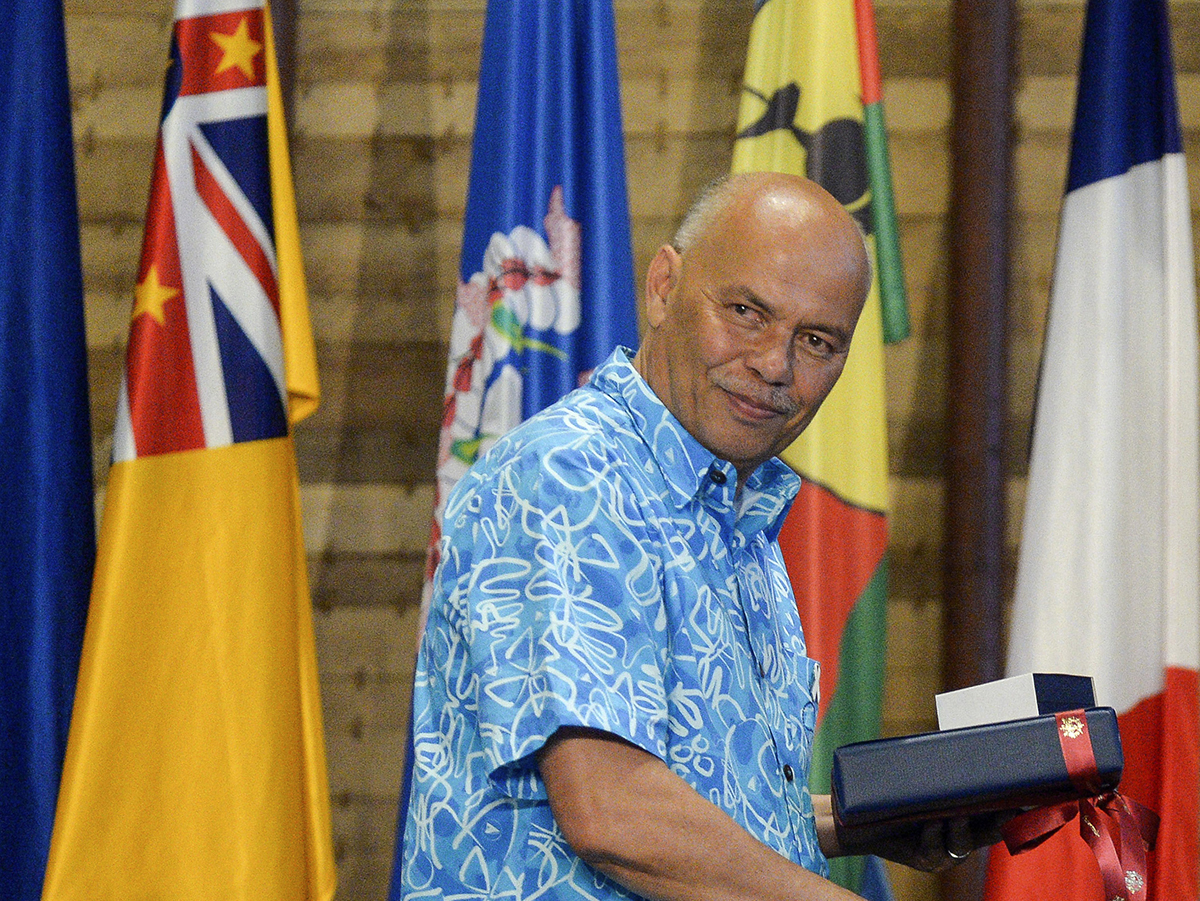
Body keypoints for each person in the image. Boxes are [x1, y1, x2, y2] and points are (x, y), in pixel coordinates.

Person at [399, 172, 969, 901]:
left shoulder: (739, 508)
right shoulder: (573, 475)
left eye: (817, 340)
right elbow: (612, 809)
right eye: (746, 311)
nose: (775, 365)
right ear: (663, 286)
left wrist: (858, 823)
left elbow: (704, 795)